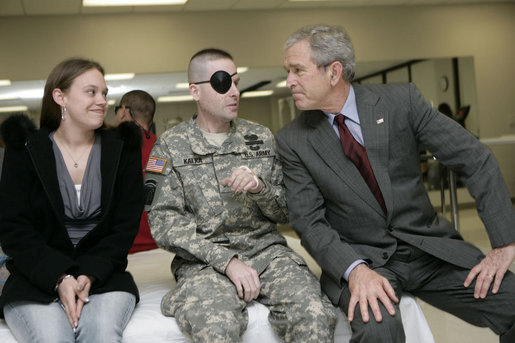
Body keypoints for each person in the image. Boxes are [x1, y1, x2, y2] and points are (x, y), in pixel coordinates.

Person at [276, 24, 515, 343]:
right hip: (364, 260)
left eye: (297, 70)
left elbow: (475, 158)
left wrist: (503, 243)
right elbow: (309, 221)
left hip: (429, 250)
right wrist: (355, 270)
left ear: (334, 72)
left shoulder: (402, 101)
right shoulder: (293, 141)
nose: (289, 81)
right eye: (287, 71)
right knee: (379, 329)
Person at [144, 48, 336, 342]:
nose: (234, 92)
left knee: (314, 313)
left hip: (266, 252)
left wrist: (261, 188)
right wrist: (228, 262)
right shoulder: (170, 147)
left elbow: (286, 211)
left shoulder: (259, 138)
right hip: (204, 260)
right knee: (216, 328)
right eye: (222, 83)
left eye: (235, 82)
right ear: (195, 91)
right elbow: (163, 224)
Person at [0, 58, 144, 342]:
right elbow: (14, 228)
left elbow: (124, 227)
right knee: (52, 337)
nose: (102, 101)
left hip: (104, 278)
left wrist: (89, 275)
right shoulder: (25, 150)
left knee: (101, 334)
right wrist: (59, 277)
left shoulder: (122, 150)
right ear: (60, 96)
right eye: (91, 92)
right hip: (35, 280)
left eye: (104, 93)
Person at [114, 90, 159, 253]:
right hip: (163, 248)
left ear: (124, 111)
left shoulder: (112, 148)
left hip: (123, 249)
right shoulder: (166, 147)